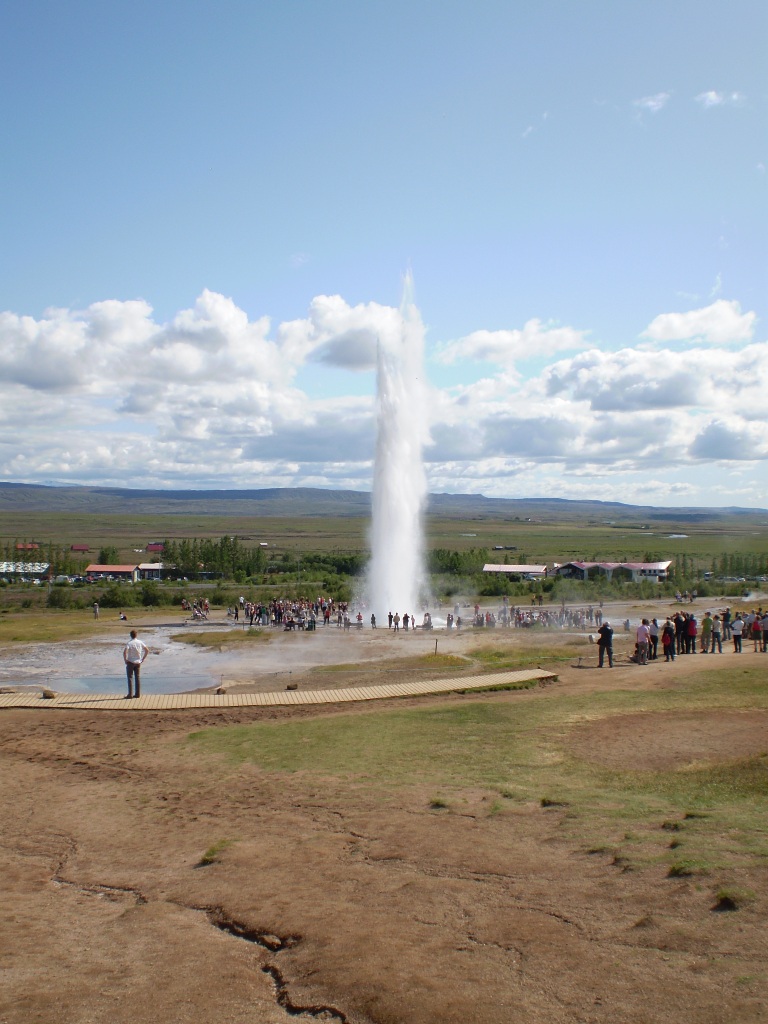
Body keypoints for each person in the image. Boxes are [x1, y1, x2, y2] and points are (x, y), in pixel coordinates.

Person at [123, 630, 148, 698]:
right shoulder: (140, 642)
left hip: (130, 662)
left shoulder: (129, 643)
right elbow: (147, 650)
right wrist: (143, 658)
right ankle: (137, 694)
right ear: (136, 635)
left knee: (130, 677)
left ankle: (130, 694)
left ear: (130, 635)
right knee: (137, 677)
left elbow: (125, 652)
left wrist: (125, 660)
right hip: (138, 662)